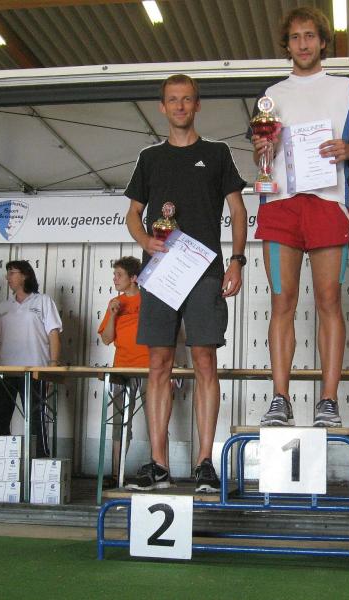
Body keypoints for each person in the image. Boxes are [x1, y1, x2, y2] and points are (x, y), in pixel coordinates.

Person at [250, 6, 349, 428]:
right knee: (282, 301)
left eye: (309, 36)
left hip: (328, 202)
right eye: (295, 37)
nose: (302, 44)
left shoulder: (346, 88)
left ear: (323, 41)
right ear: (286, 45)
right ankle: (280, 399)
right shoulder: (271, 93)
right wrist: (262, 151)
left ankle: (328, 401)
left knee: (328, 300)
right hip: (280, 203)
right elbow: (259, 150)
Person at [125, 73, 247, 493]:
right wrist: (145, 242)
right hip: (161, 272)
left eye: (187, 99)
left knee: (204, 361)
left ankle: (204, 463)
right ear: (163, 107)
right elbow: (133, 214)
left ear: (197, 105)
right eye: (173, 100)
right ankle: (158, 464)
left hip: (205, 271)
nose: (180, 106)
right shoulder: (149, 158)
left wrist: (236, 261)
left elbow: (238, 210)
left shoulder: (217, 153)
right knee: (158, 363)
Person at [0, 260, 62, 458]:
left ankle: (40, 460)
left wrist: (53, 366)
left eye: (12, 272)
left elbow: (53, 334)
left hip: (35, 371)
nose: (8, 277)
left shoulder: (43, 301)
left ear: (25, 275)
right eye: (7, 273)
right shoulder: (3, 306)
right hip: (4, 371)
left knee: (36, 417)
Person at [97, 256, 150, 486]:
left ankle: (161, 470)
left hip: (150, 369)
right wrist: (113, 314)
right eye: (114, 275)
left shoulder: (149, 299)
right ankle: (115, 474)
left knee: (156, 420)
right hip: (122, 368)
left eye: (119, 275)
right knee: (119, 423)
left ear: (134, 278)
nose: (115, 279)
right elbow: (106, 339)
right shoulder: (114, 303)